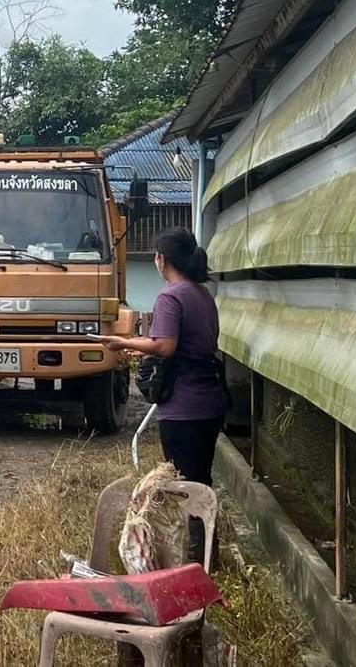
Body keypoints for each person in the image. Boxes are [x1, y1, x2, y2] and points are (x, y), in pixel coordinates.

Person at [94, 227, 225, 560]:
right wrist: (144, 349)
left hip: (183, 407)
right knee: (201, 482)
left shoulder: (170, 296)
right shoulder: (202, 295)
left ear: (161, 259)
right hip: (210, 401)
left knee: (181, 486)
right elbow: (190, 347)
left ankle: (190, 560)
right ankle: (209, 554)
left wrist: (122, 342)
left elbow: (165, 345)